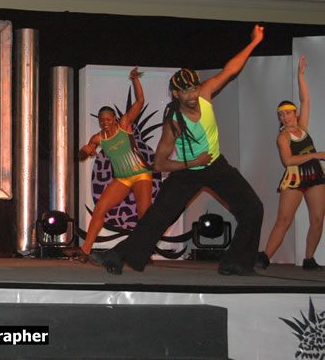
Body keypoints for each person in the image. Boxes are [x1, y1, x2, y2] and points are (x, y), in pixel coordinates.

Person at [89, 25, 265, 276]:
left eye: (193, 88)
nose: (191, 95)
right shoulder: (173, 122)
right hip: (187, 171)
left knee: (253, 208)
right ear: (175, 93)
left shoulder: (204, 94)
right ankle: (117, 256)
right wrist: (193, 163)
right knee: (158, 217)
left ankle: (235, 261)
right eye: (185, 91)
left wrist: (254, 42)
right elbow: (159, 164)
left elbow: (231, 69)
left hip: (215, 165)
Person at [75, 67, 152, 261]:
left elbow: (140, 102)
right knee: (100, 209)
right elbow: (81, 156)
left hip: (141, 174)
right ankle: (85, 251)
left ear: (114, 119)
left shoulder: (125, 125)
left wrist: (135, 80)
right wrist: (85, 150)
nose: (105, 123)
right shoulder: (98, 138)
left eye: (108, 120)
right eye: (102, 121)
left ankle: (145, 251)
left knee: (144, 213)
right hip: (123, 179)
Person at [258, 55, 325, 271]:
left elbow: (306, 100)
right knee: (284, 220)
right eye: (281, 115)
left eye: (288, 113)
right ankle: (265, 257)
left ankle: (309, 258)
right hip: (295, 177)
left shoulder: (303, 127)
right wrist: (315, 155)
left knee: (317, 217)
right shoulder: (282, 137)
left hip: (315, 175)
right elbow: (288, 161)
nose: (285, 117)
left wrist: (300, 76)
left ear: (295, 113)